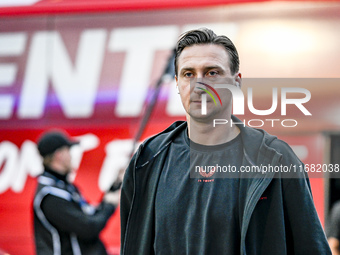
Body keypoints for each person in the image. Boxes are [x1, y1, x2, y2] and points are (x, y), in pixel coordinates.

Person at [120, 28, 331, 254]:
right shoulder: (147, 160)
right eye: (188, 74)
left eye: (212, 73)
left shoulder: (276, 159)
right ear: (177, 83)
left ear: (236, 82)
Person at [33, 130, 121, 255]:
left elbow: (89, 214)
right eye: (68, 151)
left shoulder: (64, 187)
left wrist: (115, 186)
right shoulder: (51, 196)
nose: (71, 156)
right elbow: (88, 228)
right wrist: (109, 206)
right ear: (59, 155)